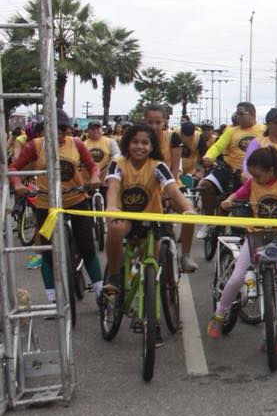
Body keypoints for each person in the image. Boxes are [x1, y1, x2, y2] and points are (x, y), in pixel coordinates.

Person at [208, 146, 277, 349]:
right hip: (255, 236)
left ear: (272, 170)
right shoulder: (252, 184)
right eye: (253, 175)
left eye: (259, 175)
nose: (255, 179)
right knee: (238, 277)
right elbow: (237, 195)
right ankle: (220, 313)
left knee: (276, 288)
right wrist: (229, 201)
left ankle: (269, 338)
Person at [9, 110, 104, 304]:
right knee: (47, 252)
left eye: (62, 130)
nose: (58, 135)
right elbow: (13, 168)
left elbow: (92, 166)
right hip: (47, 205)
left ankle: (101, 293)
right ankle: (52, 299)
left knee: (87, 248)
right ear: (44, 130)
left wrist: (94, 178)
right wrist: (17, 184)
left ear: (66, 130)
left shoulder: (76, 143)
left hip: (76, 201)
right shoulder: (35, 146)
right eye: (52, 130)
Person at [102, 125, 196, 305]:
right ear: (127, 144)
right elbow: (113, 187)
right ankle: (114, 276)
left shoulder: (158, 166)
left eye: (145, 143)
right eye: (135, 142)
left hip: (151, 219)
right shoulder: (118, 163)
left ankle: (150, 311)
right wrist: (112, 207)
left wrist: (187, 208)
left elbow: (172, 189)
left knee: (152, 264)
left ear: (152, 147)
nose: (139, 146)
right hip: (126, 219)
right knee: (114, 228)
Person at [143, 104, 198, 273]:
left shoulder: (172, 138)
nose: (154, 126)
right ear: (144, 121)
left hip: (169, 186)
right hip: (144, 188)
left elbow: (174, 170)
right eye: (150, 122)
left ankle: (186, 255)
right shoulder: (139, 138)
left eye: (158, 122)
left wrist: (168, 192)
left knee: (189, 214)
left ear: (165, 121)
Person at [197, 102, 263, 240]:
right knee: (205, 186)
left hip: (253, 176)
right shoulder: (231, 131)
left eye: (241, 113)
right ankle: (209, 222)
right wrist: (208, 157)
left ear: (252, 114)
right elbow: (217, 147)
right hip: (228, 171)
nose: (237, 116)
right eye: (236, 114)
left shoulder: (263, 130)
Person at [81, 121, 120, 185]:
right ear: (88, 131)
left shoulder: (110, 141)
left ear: (102, 129)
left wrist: (111, 165)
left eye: (98, 128)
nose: (95, 131)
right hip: (87, 181)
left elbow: (117, 155)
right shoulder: (83, 144)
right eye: (93, 129)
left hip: (104, 181)